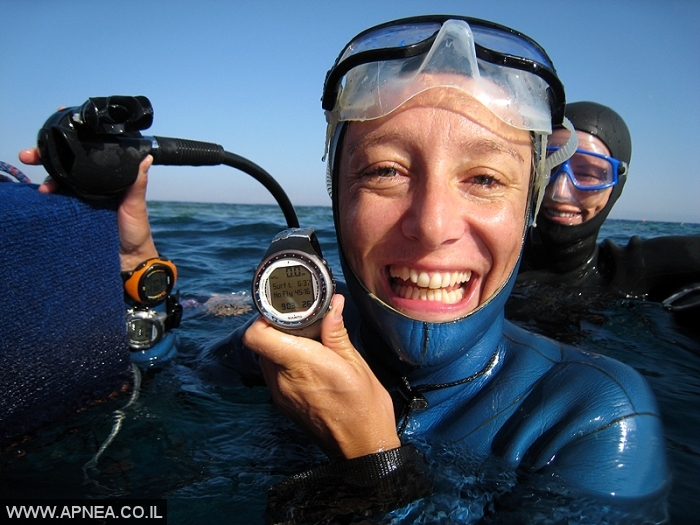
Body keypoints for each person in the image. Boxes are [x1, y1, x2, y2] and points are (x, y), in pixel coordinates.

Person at [23, 16, 670, 523]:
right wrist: (136, 263)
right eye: (386, 170)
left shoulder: (593, 419)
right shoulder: (275, 352)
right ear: (338, 193)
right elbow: (151, 398)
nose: (432, 223)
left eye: (485, 177)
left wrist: (374, 464)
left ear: (527, 207)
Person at [513, 101, 700, 334]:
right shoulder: (493, 257)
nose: (559, 192)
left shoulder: (631, 272)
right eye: (548, 166)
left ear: (617, 185)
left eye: (588, 174)